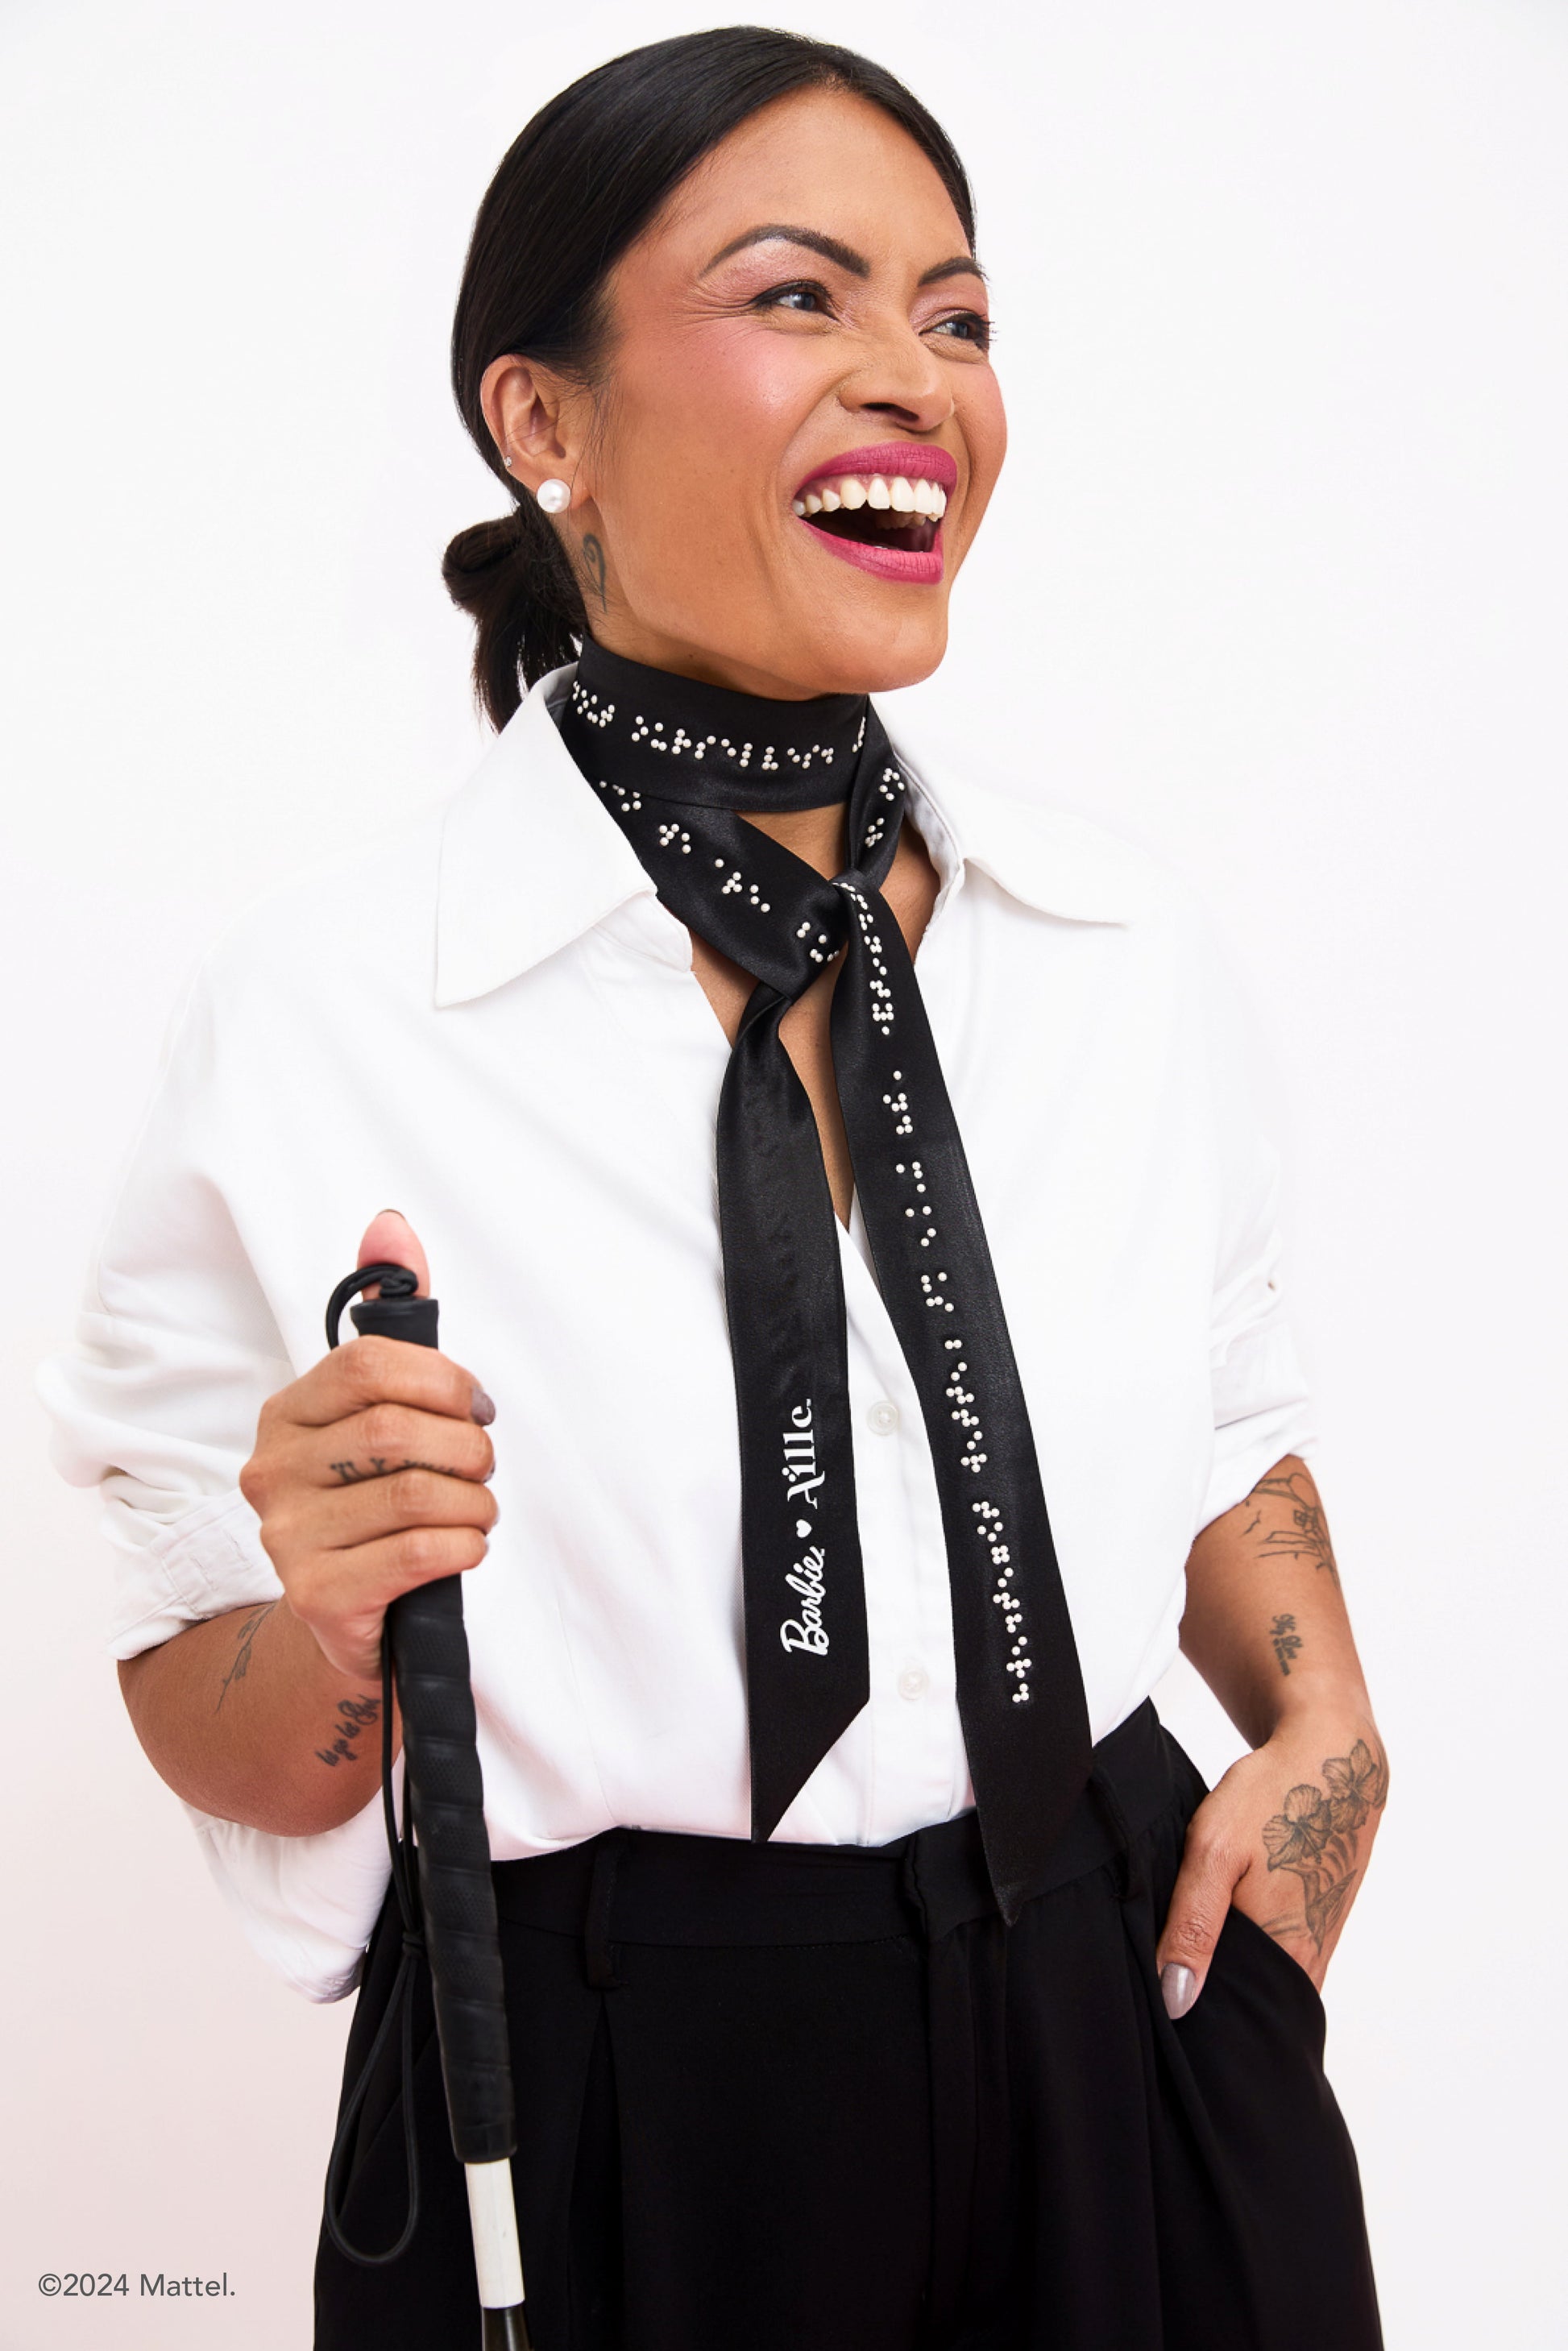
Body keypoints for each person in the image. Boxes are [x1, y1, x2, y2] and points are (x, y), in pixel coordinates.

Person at [39, 27, 1388, 2350]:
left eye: (954, 316)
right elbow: (198, 1680)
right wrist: (341, 1609)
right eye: (799, 298)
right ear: (538, 420)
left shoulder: (1121, 945)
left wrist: (1322, 1724)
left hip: (1134, 2013)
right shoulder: (323, 1007)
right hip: (619, 2085)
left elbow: (1218, 1396)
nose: (910, 378)